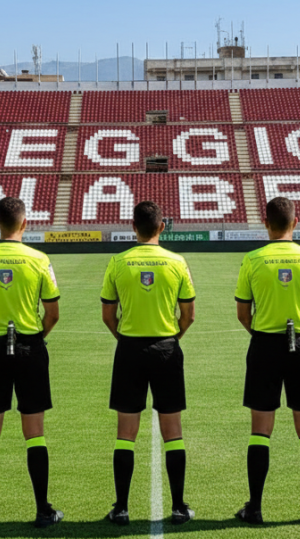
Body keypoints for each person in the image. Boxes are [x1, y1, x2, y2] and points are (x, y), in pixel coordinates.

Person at [0, 197, 63, 529]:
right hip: (30, 347)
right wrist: (35, 338)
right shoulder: (39, 259)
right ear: (25, 223)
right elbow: (53, 313)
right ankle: (43, 511)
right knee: (35, 434)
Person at [234, 197, 300, 525]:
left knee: (260, 429)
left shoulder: (253, 259)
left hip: (264, 345)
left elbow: (242, 313)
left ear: (266, 223)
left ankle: (255, 508)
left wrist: (265, 335)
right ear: (295, 222)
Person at [100, 201, 197, 526]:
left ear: (133, 227)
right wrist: (171, 337)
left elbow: (108, 315)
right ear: (162, 227)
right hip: (167, 348)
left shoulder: (118, 261)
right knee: (173, 431)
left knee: (125, 433)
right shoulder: (177, 262)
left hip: (129, 349)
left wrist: (125, 338)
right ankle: (179, 507)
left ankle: (121, 508)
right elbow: (188, 315)